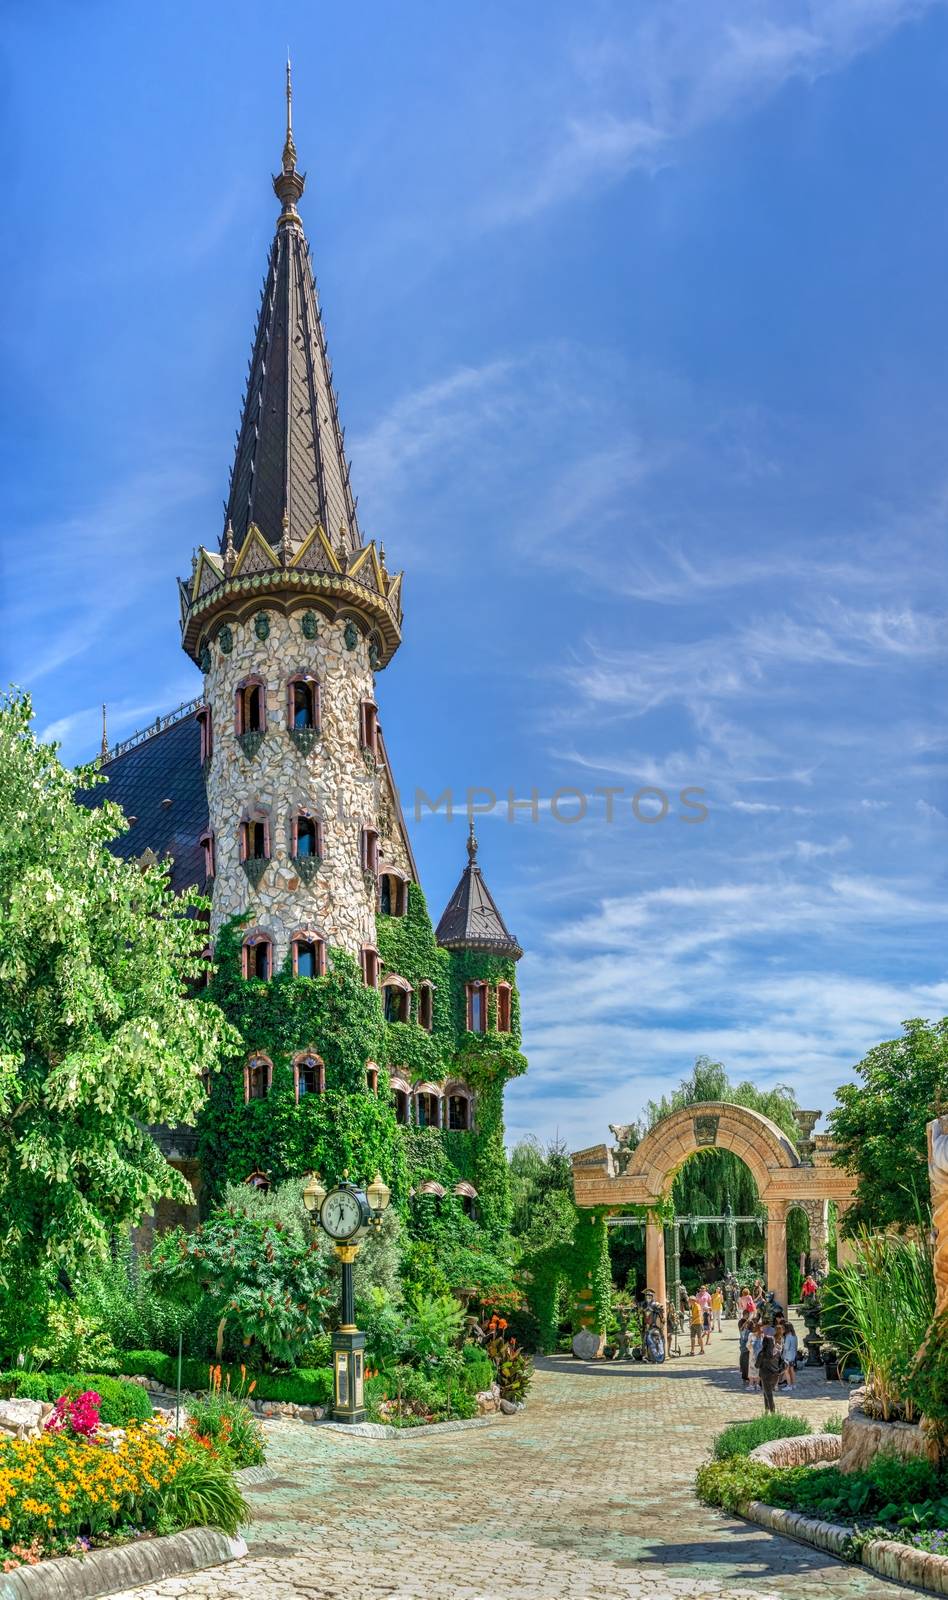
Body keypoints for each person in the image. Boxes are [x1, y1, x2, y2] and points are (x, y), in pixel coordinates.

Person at [756, 1333, 780, 1414]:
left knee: (768, 1394)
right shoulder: (777, 1352)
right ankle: (766, 1411)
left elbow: (757, 1365)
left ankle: (773, 1414)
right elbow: (781, 1363)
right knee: (766, 1392)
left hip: (765, 1375)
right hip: (775, 1375)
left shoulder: (762, 1354)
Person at [780, 1321, 798, 1388]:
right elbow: (796, 1346)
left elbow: (786, 1347)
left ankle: (789, 1385)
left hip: (787, 1356)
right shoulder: (794, 1336)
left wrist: (782, 1345)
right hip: (793, 1356)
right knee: (792, 1370)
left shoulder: (788, 1336)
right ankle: (793, 1384)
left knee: (786, 1371)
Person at [749, 1317, 763, 1392]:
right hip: (759, 1355)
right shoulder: (762, 1336)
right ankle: (757, 1384)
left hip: (753, 1355)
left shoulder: (752, 1335)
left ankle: (752, 1384)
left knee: (752, 1369)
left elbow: (748, 1345)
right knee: (758, 1370)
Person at [738, 1315, 752, 1389]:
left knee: (745, 1364)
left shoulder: (745, 1331)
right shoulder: (744, 1331)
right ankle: (746, 1378)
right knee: (745, 1364)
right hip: (745, 1350)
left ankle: (746, 1378)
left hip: (745, 1350)